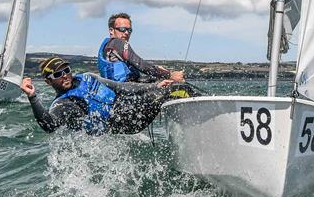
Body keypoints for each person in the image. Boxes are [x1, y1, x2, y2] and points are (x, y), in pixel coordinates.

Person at [20, 56, 193, 135]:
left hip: (128, 107)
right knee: (170, 92)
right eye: (58, 74)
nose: (65, 75)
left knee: (176, 87)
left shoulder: (87, 77)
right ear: (49, 82)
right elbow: (50, 126)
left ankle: (195, 126)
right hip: (122, 123)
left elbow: (121, 87)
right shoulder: (63, 104)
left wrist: (153, 86)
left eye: (66, 70)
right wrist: (33, 97)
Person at [98, 12, 184, 84]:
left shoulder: (109, 47)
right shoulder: (118, 42)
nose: (127, 33)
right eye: (122, 29)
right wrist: (170, 75)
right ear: (111, 30)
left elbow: (134, 78)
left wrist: (157, 72)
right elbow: (140, 64)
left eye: (129, 30)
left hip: (122, 92)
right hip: (125, 94)